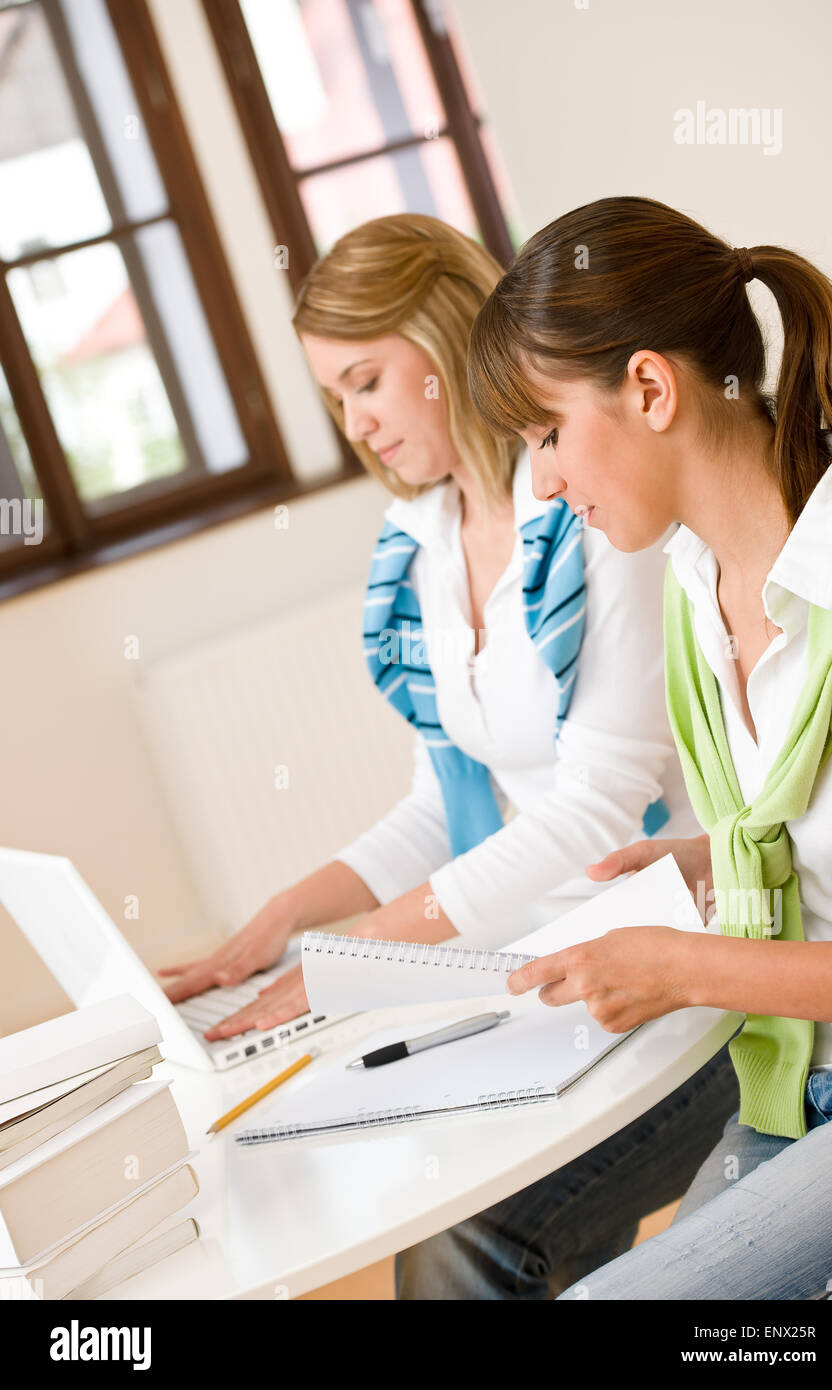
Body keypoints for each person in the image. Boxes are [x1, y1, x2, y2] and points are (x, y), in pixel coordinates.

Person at [159, 214, 739, 1281]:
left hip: (670, 950)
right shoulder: (419, 542)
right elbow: (441, 797)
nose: (357, 424)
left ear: (442, 337)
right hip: (530, 959)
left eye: (366, 381)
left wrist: (363, 954)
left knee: (471, 1231)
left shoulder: (591, 505)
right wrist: (282, 930)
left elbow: (593, 809)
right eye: (335, 399)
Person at [420, 193, 832, 1301]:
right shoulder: (688, 589)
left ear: (651, 389)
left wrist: (679, 965)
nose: (549, 484)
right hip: (789, 1087)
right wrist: (708, 861)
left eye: (547, 436)